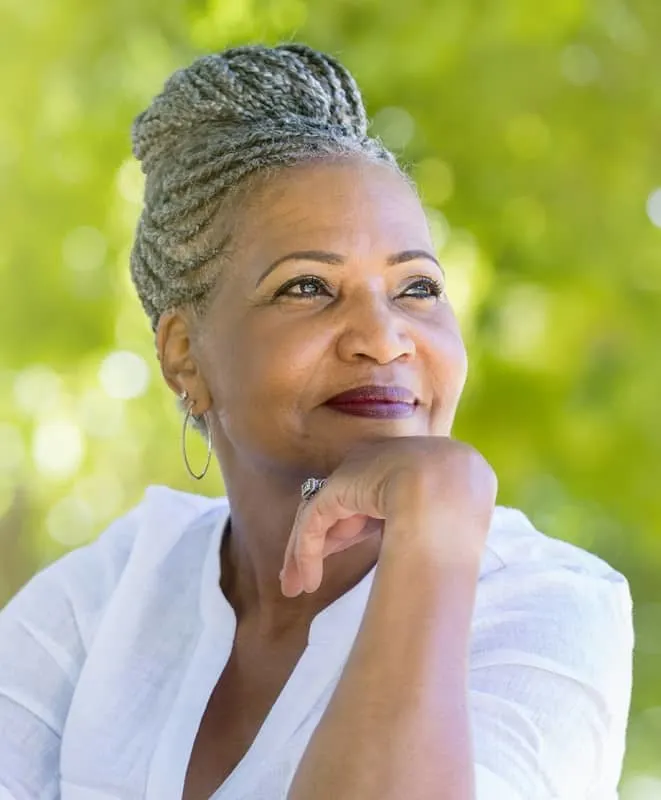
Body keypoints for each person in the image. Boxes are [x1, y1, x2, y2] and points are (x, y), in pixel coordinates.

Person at [0, 43, 633, 800]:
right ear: (184, 357)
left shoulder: (547, 607)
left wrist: (437, 522)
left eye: (417, 287)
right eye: (306, 286)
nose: (384, 334)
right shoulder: (102, 599)